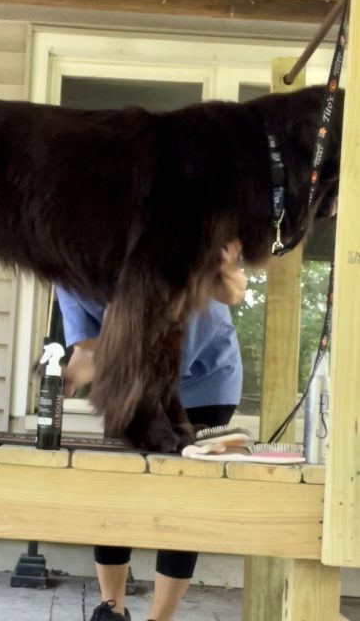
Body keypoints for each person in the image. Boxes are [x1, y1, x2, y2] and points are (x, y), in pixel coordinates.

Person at [56, 242, 246, 621]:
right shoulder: (67, 264)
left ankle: (160, 617)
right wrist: (74, 367)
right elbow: (88, 348)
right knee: (116, 491)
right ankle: (111, 609)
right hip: (132, 377)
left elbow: (219, 300)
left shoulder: (163, 243)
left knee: (181, 501)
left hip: (205, 378)